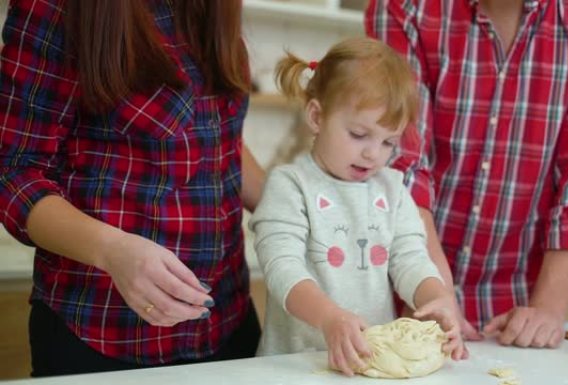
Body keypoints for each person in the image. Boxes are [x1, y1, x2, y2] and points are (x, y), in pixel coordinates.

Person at [0, 0, 264, 377]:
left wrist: (299, 207)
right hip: (103, 332)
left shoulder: (216, 9)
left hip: (226, 320)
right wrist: (112, 250)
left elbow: (220, 140)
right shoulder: (56, 8)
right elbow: (14, 171)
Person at [366, 0, 568, 348]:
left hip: (517, 312)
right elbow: (402, 164)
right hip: (400, 291)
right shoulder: (402, 6)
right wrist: (434, 293)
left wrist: (547, 309)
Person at [248, 37, 465, 376]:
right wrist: (329, 318)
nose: (373, 153)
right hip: (294, 366)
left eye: (388, 142)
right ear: (317, 116)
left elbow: (410, 258)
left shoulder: (393, 189)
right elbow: (282, 270)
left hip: (369, 364)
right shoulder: (290, 186)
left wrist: (436, 297)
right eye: (359, 134)